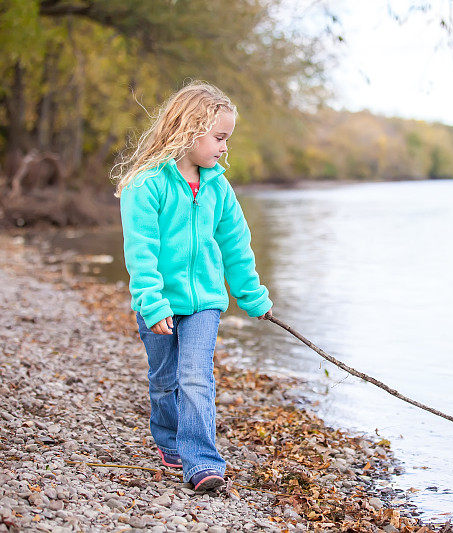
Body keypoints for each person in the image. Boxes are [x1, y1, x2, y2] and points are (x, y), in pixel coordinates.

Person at [111, 81, 273, 492]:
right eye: (219, 138)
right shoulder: (147, 184)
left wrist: (253, 297)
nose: (224, 148)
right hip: (159, 304)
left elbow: (236, 246)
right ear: (190, 129)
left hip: (204, 303)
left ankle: (201, 462)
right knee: (164, 378)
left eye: (227, 139)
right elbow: (141, 250)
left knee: (196, 376)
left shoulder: (218, 187)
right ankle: (168, 441)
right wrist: (152, 301)